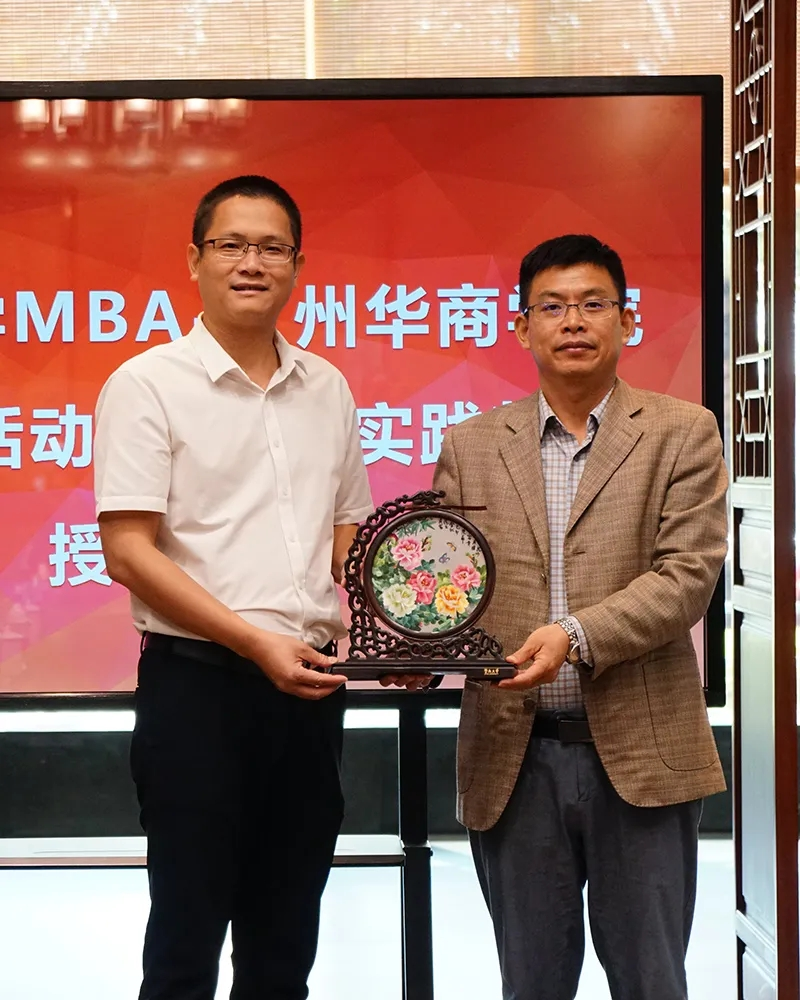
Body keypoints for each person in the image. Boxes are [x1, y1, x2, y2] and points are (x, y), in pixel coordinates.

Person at [94, 175, 373, 1000]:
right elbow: (128, 552)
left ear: (297, 265)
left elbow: (348, 534)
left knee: (284, 955)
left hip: (311, 694)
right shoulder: (147, 383)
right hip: (198, 693)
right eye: (232, 245)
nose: (252, 263)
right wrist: (254, 641)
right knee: (184, 952)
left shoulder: (328, 386)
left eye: (272, 248)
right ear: (195, 260)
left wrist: (394, 631)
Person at [432, 234, 727, 1000]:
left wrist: (573, 636)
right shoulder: (471, 446)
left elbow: (686, 579)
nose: (572, 322)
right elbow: (446, 585)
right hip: (514, 759)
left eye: (593, 304)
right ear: (520, 326)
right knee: (531, 986)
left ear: (627, 321)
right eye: (552, 307)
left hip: (641, 756)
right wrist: (419, 651)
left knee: (652, 983)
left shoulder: (682, 431)